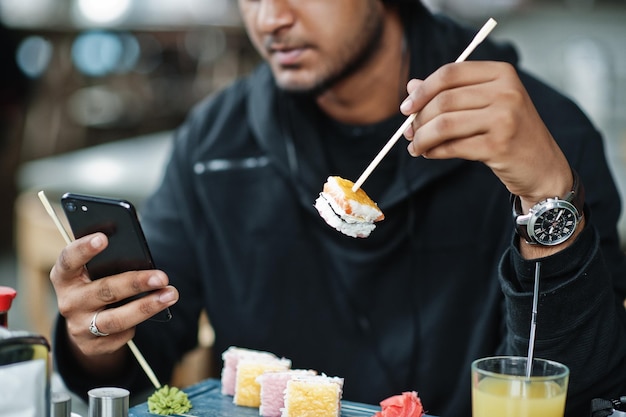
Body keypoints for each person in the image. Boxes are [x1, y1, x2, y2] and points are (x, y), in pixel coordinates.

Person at [49, 1, 626, 416]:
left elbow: (583, 390)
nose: (268, 18)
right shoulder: (215, 142)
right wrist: (94, 333)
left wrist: (549, 199)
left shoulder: (540, 134)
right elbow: (145, 348)